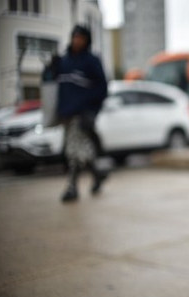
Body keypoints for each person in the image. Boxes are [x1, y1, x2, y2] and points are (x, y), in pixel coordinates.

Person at [56, 25, 108, 202]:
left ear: (87, 40)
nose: (77, 41)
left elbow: (102, 89)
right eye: (75, 37)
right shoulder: (64, 61)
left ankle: (72, 187)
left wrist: (91, 109)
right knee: (82, 149)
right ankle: (97, 173)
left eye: (81, 38)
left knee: (73, 149)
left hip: (82, 113)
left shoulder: (91, 61)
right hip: (66, 113)